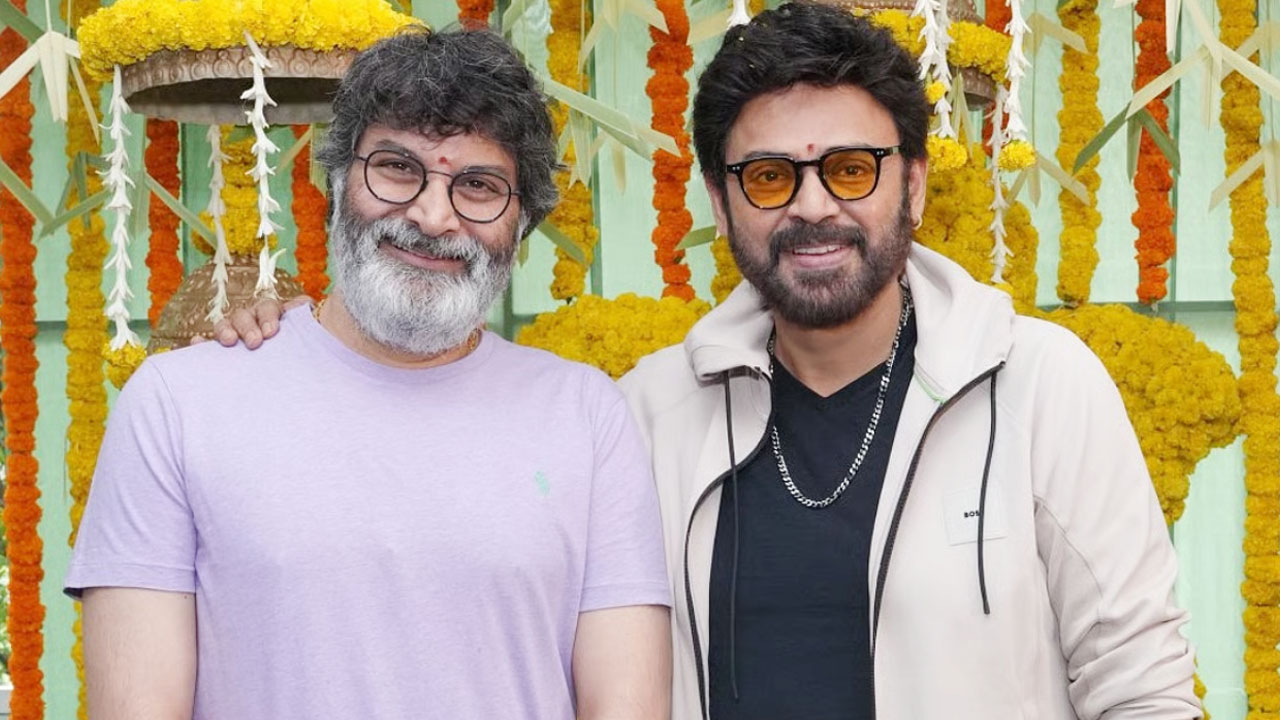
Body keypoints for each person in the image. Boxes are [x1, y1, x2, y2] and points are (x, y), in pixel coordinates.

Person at [218, 5, 1200, 719]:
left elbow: (1142, 687)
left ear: (911, 184)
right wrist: (307, 348)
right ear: (722, 202)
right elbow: (461, 541)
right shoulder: (644, 413)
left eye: (849, 169)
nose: (811, 206)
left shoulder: (1039, 384)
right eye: (768, 176)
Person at [65, 27, 671, 720]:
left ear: (522, 221)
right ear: (336, 181)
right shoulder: (179, 402)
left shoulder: (586, 416)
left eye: (478, 185)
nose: (432, 216)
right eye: (397, 168)